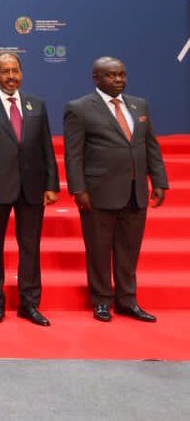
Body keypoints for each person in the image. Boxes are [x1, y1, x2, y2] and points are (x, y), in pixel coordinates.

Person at [63, 56, 169, 322]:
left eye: (122, 74)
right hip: (98, 192)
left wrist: (159, 180)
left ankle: (127, 300)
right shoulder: (79, 108)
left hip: (135, 191)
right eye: (111, 75)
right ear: (96, 78)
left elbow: (150, 146)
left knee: (129, 250)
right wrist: (78, 190)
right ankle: (101, 300)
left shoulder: (139, 104)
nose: (119, 79)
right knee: (98, 250)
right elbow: (73, 154)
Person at [0, 52, 59, 326]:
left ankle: (29, 304)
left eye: (15, 70)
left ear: (21, 73)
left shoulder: (36, 105)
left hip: (32, 188)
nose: (10, 76)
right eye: (5, 71)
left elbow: (46, 148)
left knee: (30, 248)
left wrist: (51, 183)